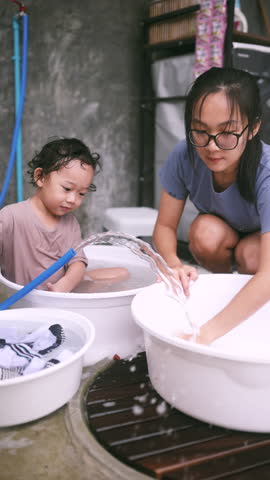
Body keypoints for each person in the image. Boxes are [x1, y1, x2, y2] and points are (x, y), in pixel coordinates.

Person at [153, 66, 270, 345]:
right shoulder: (185, 155)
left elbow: (268, 273)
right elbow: (165, 226)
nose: (212, 147)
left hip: (259, 245)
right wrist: (173, 265)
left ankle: (244, 307)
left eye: (227, 133)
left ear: (252, 128)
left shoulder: (265, 170)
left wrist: (205, 334)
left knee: (253, 256)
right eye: (201, 131)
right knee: (205, 232)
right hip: (221, 234)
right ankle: (223, 291)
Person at [0, 137, 128, 293]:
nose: (73, 199)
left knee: (122, 273)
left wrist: (65, 284)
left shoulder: (70, 223)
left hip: (61, 293)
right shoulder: (12, 217)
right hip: (25, 298)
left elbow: (77, 263)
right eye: (67, 189)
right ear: (40, 177)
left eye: (81, 193)